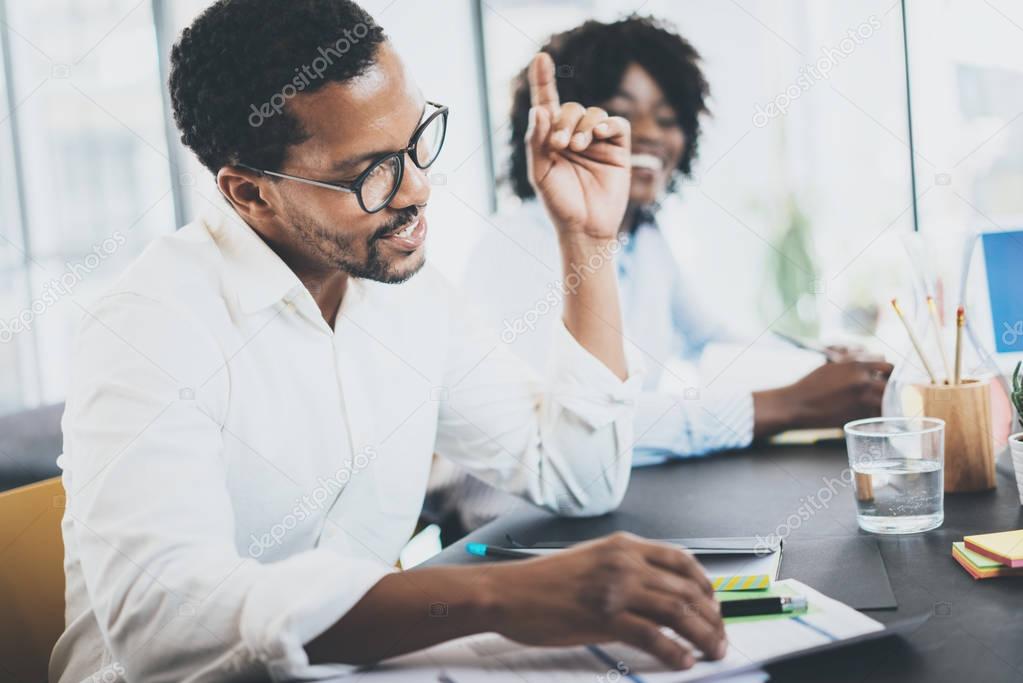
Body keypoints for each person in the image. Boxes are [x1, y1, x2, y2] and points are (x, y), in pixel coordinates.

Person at [49, 2, 727, 681]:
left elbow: (579, 475)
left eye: (416, 142)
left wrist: (587, 240)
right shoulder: (147, 327)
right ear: (249, 192)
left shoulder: (406, 297)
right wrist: (495, 597)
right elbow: (166, 626)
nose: (418, 188)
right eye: (369, 172)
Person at [433, 15, 893, 530]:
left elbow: (712, 340)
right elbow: (580, 432)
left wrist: (821, 360)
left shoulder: (646, 239)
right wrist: (785, 404)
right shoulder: (515, 246)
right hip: (516, 534)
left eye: (669, 118)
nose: (648, 136)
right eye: (621, 114)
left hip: (610, 508)